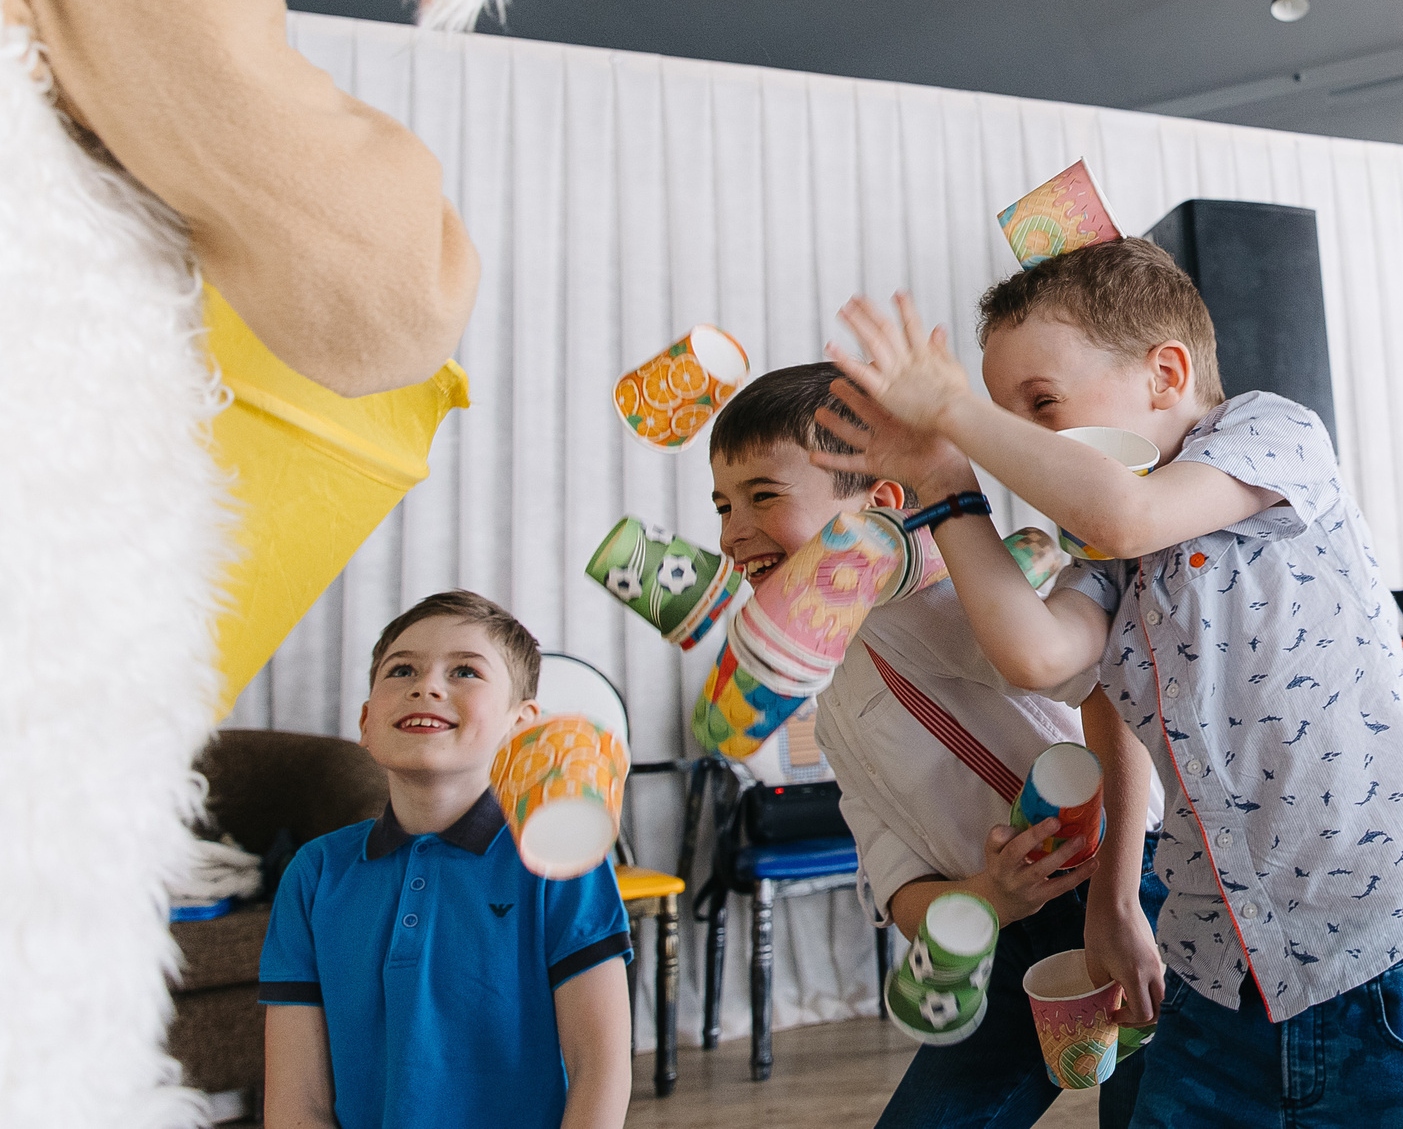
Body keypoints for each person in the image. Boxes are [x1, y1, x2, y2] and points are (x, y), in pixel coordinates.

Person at [818, 237, 1403, 1129]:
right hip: (1214, 986)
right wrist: (948, 484)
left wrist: (955, 409)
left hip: (1382, 971)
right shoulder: (1105, 562)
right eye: (1004, 413)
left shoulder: (1269, 432)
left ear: (1167, 373)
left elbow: (1126, 508)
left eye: (1041, 404)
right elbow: (1041, 655)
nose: (1020, 438)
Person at [710, 363, 1167, 1128]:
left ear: (883, 504)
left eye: (763, 495)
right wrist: (993, 896)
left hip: (1137, 884)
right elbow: (895, 882)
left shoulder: (943, 600)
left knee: (1147, 1112)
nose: (730, 532)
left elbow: (1111, 691)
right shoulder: (830, 709)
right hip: (1012, 927)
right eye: (722, 504)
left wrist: (1118, 900)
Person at [258, 592, 631, 1129]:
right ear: (366, 722)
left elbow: (601, 1070)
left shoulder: (560, 865)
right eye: (402, 669)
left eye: (464, 671)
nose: (426, 685)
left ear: (521, 726)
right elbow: (298, 1104)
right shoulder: (314, 874)